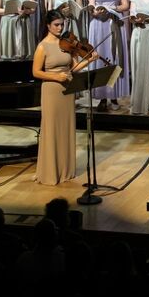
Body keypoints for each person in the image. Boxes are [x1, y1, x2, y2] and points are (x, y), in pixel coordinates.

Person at [32, 10, 99, 185]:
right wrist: (56, 77)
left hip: (68, 90)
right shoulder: (42, 46)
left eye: (62, 24)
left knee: (66, 128)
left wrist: (90, 60)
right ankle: (50, 172)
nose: (60, 27)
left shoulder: (65, 44)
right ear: (48, 25)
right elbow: (36, 72)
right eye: (56, 25)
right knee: (52, 128)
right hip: (52, 90)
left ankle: (65, 169)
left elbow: (74, 68)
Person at [87, 0, 131, 111]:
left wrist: (113, 8)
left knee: (114, 57)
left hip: (114, 22)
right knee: (100, 59)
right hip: (98, 24)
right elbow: (91, 5)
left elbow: (125, 5)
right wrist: (95, 12)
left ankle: (113, 94)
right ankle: (102, 96)